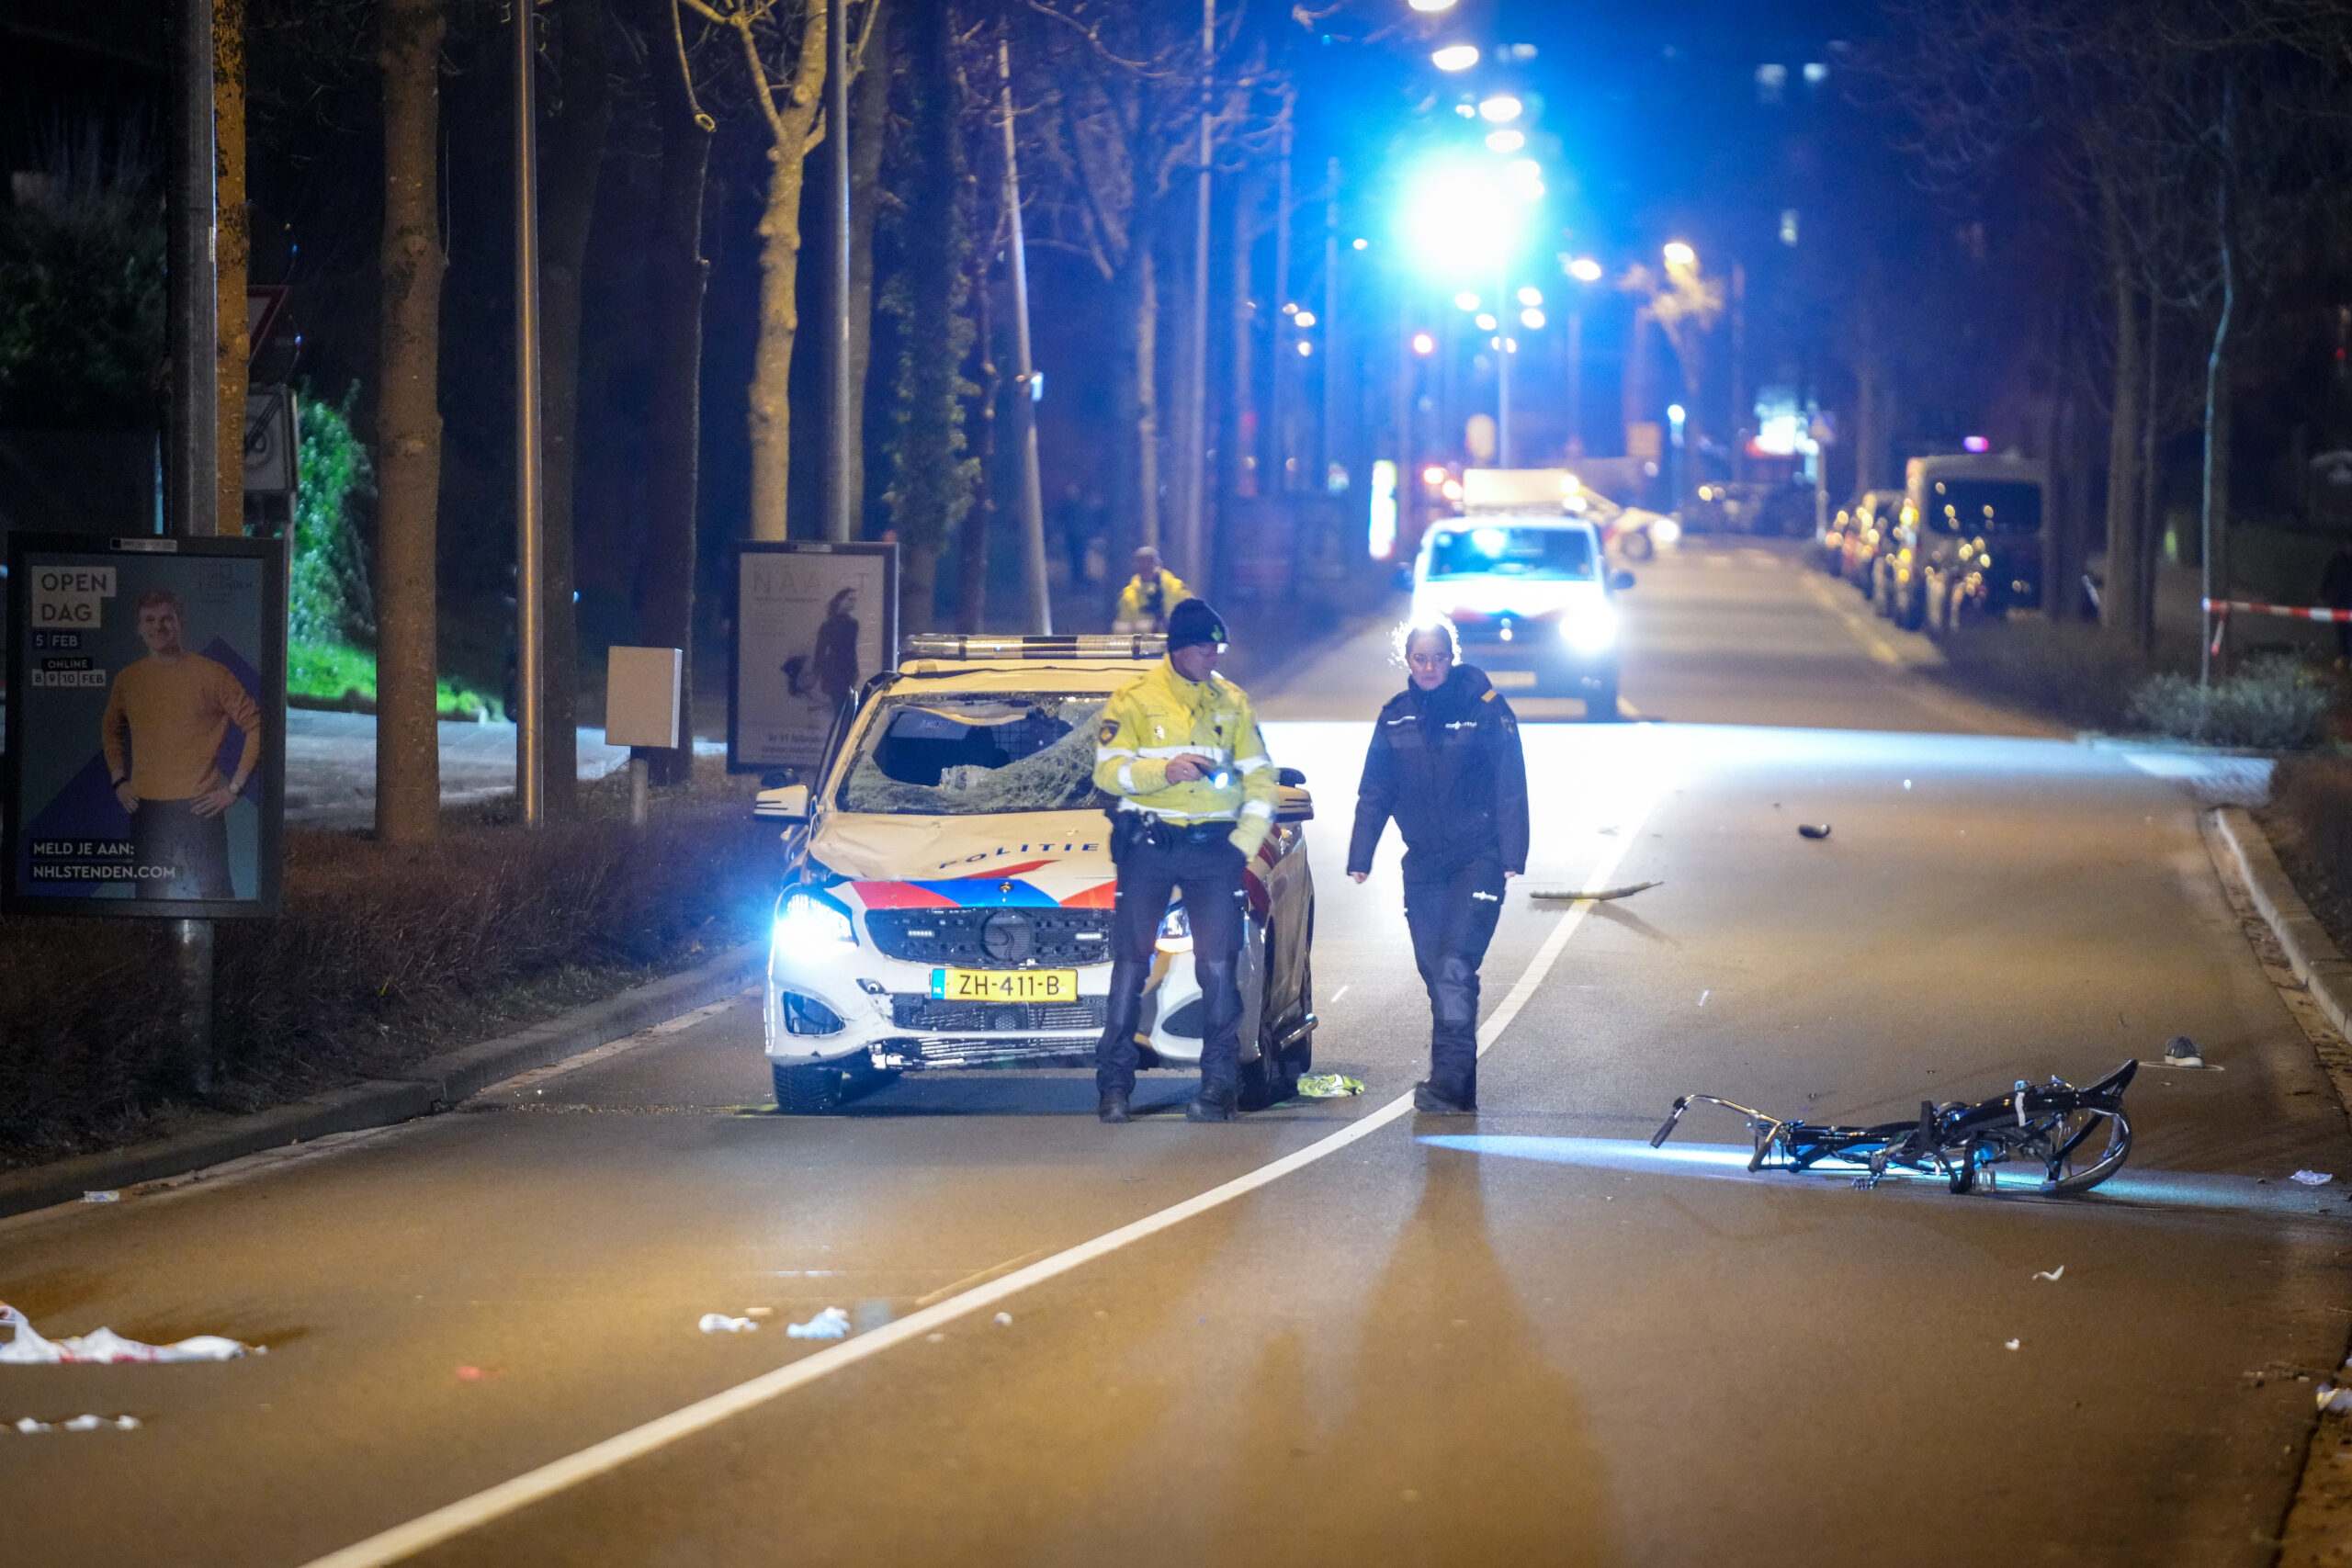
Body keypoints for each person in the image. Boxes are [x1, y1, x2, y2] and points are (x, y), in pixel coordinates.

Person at [1091, 597, 1279, 1123]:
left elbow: (1261, 777)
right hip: (1148, 846)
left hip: (1214, 850)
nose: (1213, 657)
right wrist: (1164, 772)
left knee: (1219, 969)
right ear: (1180, 647)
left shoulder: (1232, 702)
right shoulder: (1134, 699)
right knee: (1131, 966)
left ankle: (1219, 1087)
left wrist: (1242, 843)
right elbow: (1107, 773)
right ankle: (1114, 1088)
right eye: (1205, 648)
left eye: (1218, 648)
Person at [1346, 619, 1530, 1115]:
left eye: (1439, 658)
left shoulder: (1486, 711)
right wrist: (1360, 855)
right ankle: (1457, 1081)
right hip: (1423, 864)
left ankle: (1447, 1083)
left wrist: (1512, 854)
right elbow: (1375, 789)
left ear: (1453, 658)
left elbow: (1509, 782)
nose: (1430, 667)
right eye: (1420, 659)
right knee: (1435, 969)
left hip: (1479, 858)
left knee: (1453, 966)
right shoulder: (1395, 717)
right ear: (1407, 661)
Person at [100, 587, 264, 900]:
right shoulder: (128, 679)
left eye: (167, 619)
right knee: (148, 898)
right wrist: (119, 779)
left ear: (180, 623)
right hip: (146, 808)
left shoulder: (212, 674)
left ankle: (219, 951)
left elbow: (256, 725)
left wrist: (234, 789)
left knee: (216, 897)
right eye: (149, 619)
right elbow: (110, 729)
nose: (158, 627)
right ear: (139, 628)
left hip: (199, 806)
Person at [1112, 546, 1190, 635]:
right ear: (1135, 566)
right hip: (1142, 647)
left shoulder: (1177, 589)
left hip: (1176, 646)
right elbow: (1121, 632)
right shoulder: (1128, 596)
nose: (1146, 566)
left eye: (1150, 561)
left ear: (1160, 564)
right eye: (1141, 562)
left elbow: (1194, 620)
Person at [2322, 538, 2352, 668]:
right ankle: (2343, 655)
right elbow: (2328, 576)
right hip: (2340, 599)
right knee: (2341, 629)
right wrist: (2322, 593)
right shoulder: (2338, 558)